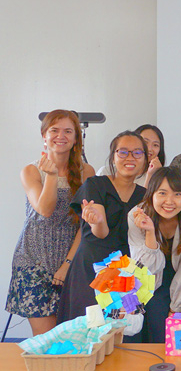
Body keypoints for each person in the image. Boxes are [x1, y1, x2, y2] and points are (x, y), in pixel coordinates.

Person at [6, 110, 95, 335]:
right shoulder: (31, 170)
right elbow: (45, 210)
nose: (60, 136)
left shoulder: (87, 172)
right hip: (32, 260)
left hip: (70, 261)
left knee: (69, 335)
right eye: (54, 130)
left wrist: (67, 264)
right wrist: (52, 176)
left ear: (76, 139)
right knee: (46, 338)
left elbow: (83, 226)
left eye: (68, 131)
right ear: (44, 136)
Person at [56, 130, 148, 323]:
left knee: (125, 331)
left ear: (145, 160)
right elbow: (101, 233)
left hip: (126, 275)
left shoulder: (146, 196)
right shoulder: (95, 184)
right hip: (91, 269)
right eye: (123, 152)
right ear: (113, 157)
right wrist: (97, 221)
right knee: (86, 331)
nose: (130, 157)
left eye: (137, 153)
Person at [127, 167, 181, 343]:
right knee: (159, 330)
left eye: (177, 194)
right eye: (162, 193)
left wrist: (176, 308)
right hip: (154, 279)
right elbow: (143, 268)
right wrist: (150, 233)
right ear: (151, 194)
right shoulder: (136, 216)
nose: (169, 201)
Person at [97, 124, 166, 187]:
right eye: (145, 142)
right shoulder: (105, 172)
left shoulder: (159, 178)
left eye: (155, 145)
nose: (149, 149)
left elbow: (147, 200)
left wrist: (152, 176)